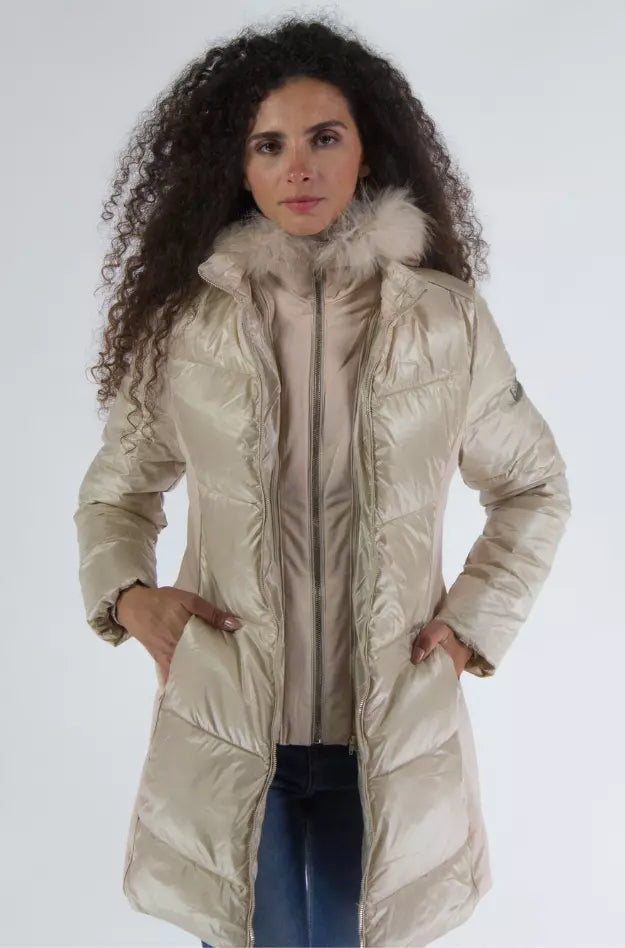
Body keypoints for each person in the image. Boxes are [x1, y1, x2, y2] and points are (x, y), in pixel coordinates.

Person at [73, 13, 572, 948]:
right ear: (237, 165)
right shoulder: (188, 326)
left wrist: (470, 626)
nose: (297, 167)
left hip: (387, 728)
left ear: (364, 150)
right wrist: (130, 597)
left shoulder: (445, 323)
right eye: (268, 145)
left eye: (322, 138)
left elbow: (533, 487)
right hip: (231, 728)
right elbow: (116, 491)